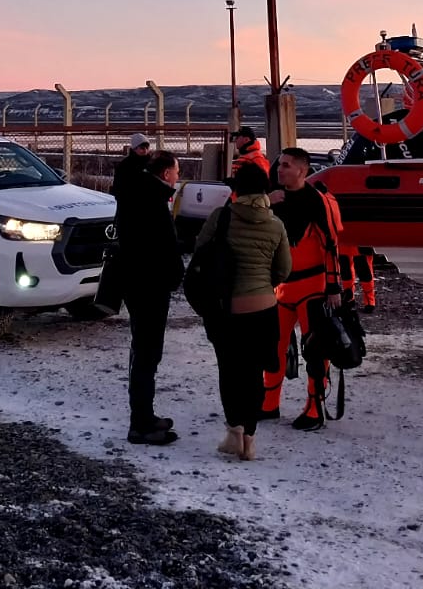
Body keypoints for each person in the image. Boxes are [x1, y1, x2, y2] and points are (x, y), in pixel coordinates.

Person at [195, 161, 289, 461]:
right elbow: (283, 270)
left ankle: (234, 431)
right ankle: (250, 438)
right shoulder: (275, 224)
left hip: (226, 310)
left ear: (236, 190)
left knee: (230, 370)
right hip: (263, 308)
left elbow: (200, 251)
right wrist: (262, 283)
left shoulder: (221, 217)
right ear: (265, 191)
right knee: (254, 373)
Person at [263, 146, 342, 432]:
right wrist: (265, 202)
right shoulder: (273, 198)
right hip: (281, 287)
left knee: (315, 349)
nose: (279, 169)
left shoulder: (315, 201)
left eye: (285, 165)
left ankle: (314, 407)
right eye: (279, 164)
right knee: (274, 346)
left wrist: (335, 287)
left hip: (313, 287)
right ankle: (269, 403)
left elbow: (331, 246)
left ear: (302, 169)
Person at [113, 150, 187, 445]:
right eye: (177, 171)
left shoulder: (134, 193)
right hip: (150, 286)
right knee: (147, 353)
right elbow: (164, 247)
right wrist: (174, 276)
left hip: (137, 283)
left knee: (143, 351)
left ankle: (145, 414)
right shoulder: (154, 202)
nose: (178, 176)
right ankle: (140, 423)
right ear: (166, 173)